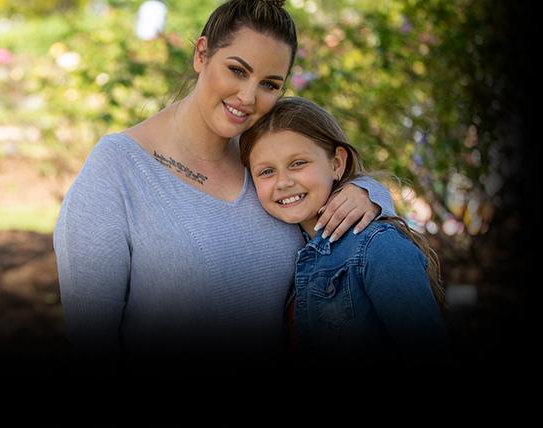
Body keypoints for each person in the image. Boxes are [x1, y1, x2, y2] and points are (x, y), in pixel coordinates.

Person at [53, 0, 397, 373]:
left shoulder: (266, 163)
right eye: (237, 70)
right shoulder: (117, 169)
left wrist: (369, 195)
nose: (248, 97)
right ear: (202, 54)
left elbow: (345, 192)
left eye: (269, 84)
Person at [239, 97, 448, 366]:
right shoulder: (289, 249)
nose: (284, 182)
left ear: (337, 163)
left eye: (298, 163)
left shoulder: (376, 246)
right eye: (267, 171)